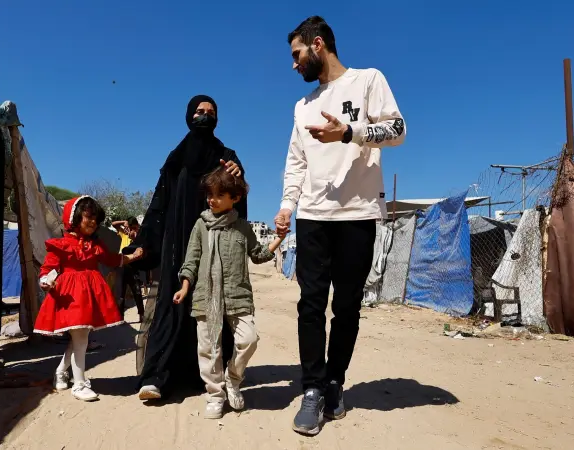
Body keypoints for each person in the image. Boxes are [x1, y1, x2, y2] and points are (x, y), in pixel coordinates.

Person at [275, 16, 406, 435]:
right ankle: (312, 389)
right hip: (312, 215)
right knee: (310, 303)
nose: (294, 65)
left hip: (358, 213)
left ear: (318, 45)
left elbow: (398, 129)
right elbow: (296, 161)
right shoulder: (302, 106)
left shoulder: (368, 81)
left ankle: (335, 382)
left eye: (297, 55)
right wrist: (285, 206)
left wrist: (349, 132)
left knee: (347, 305)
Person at [131, 95, 245, 401]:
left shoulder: (227, 157)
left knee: (211, 311)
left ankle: (210, 377)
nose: (204, 116)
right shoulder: (176, 158)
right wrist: (143, 245)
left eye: (210, 113)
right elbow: (159, 205)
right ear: (188, 116)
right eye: (199, 112)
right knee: (171, 306)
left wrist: (238, 175)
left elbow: (238, 201)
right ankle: (156, 376)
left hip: (214, 248)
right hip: (177, 246)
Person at [174, 167, 285, 419]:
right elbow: (191, 259)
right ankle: (215, 395)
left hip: (238, 296)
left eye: (218, 195)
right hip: (206, 296)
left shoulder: (243, 227)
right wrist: (184, 287)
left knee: (249, 339)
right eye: (209, 195)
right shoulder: (201, 225)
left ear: (235, 198)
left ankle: (233, 379)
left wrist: (278, 239)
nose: (211, 200)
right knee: (209, 349)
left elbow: (258, 255)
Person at [34, 196, 143, 401]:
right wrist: (45, 281)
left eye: (95, 218)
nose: (93, 222)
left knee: (79, 339)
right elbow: (48, 268)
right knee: (81, 339)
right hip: (71, 297)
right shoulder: (61, 244)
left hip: (90, 295)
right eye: (88, 217)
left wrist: (133, 256)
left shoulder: (96, 245)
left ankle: (60, 372)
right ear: (74, 217)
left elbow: (112, 259)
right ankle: (79, 384)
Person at [113, 217, 145, 321]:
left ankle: (141, 314)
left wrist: (135, 234)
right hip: (122, 266)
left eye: (132, 228)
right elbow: (114, 224)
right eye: (129, 227)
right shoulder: (123, 233)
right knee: (121, 293)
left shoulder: (138, 236)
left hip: (133, 266)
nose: (129, 230)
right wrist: (123, 222)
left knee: (136, 291)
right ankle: (120, 317)